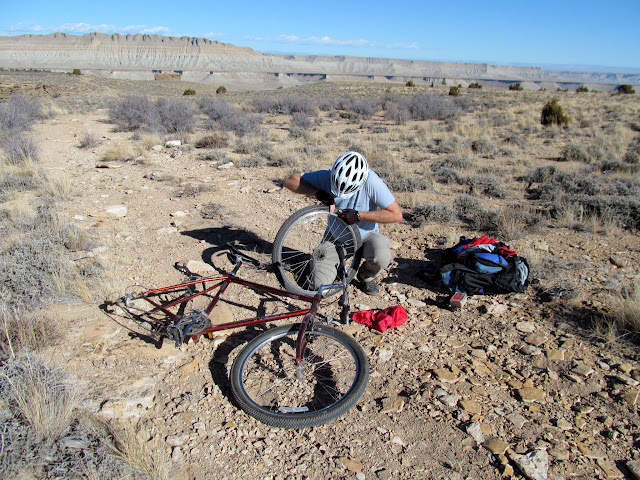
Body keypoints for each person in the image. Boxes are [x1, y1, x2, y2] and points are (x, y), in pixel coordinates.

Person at [283, 151, 403, 295]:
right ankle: (335, 265)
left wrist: (359, 215)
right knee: (317, 284)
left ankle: (366, 277)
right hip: (336, 238)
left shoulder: (372, 181)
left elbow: (396, 215)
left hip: (366, 237)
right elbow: (290, 180)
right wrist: (318, 193)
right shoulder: (328, 175)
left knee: (382, 255)